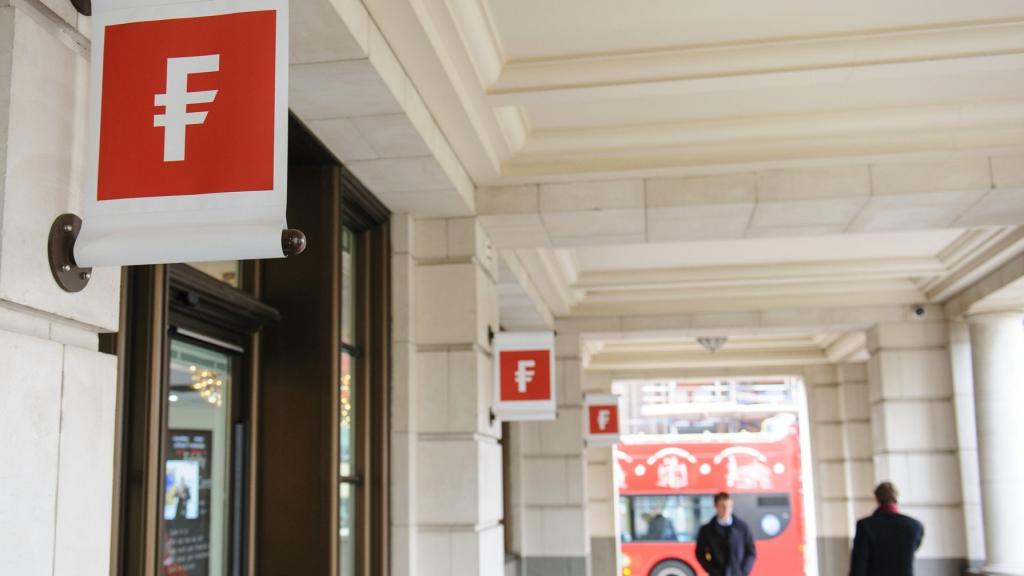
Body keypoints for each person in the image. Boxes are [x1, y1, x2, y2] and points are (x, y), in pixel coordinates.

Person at [850, 482, 924, 576]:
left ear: (877, 498)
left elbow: (859, 566)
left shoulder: (865, 526)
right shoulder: (915, 526)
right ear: (896, 498)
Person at [696, 492, 756, 576]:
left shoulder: (742, 527)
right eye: (723, 506)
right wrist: (712, 571)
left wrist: (744, 571)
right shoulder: (706, 530)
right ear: (716, 506)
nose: (726, 510)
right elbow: (700, 553)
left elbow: (751, 552)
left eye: (729, 506)